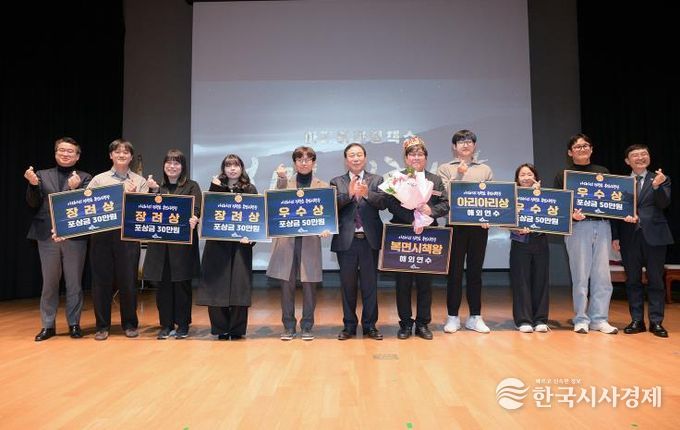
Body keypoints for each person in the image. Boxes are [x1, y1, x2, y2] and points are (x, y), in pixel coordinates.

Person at [25, 137, 92, 341]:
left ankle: (74, 324)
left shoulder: (85, 178)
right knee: (49, 283)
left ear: (77, 156)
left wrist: (75, 189)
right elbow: (32, 203)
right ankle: (48, 325)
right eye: (61, 150)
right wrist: (33, 185)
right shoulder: (41, 175)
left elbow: (87, 207)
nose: (65, 154)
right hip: (47, 236)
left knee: (74, 283)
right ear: (55, 153)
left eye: (70, 151)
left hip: (74, 237)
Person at [553, 133, 617, 334]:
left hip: (603, 226)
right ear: (570, 152)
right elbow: (558, 205)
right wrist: (571, 216)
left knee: (603, 276)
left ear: (591, 149)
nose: (582, 149)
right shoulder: (563, 175)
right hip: (578, 228)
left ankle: (599, 319)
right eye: (578, 147)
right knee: (580, 276)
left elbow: (612, 201)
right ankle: (581, 318)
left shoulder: (603, 172)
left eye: (586, 146)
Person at [386, 136, 449, 340]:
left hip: (428, 236)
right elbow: (390, 203)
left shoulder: (435, 179)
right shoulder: (397, 178)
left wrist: (430, 211)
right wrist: (413, 219)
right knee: (402, 283)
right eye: (412, 154)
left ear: (426, 157)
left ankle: (423, 323)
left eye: (420, 154)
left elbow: (445, 204)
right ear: (406, 158)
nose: (416, 157)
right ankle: (405, 323)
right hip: (403, 233)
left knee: (425, 283)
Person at [266, 146, 331, 341]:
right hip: (287, 241)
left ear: (313, 162)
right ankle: (288, 326)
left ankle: (307, 326)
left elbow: (327, 214)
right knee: (286, 285)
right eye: (300, 160)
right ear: (294, 163)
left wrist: (326, 227)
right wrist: (281, 179)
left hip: (310, 240)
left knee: (310, 285)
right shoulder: (285, 182)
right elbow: (274, 204)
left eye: (308, 159)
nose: (304, 163)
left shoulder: (323, 186)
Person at [87, 139, 149, 340]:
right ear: (110, 155)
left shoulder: (140, 181)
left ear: (131, 157)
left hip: (128, 237)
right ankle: (102, 326)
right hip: (101, 236)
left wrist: (133, 197)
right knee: (101, 281)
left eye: (126, 152)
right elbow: (89, 207)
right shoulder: (99, 180)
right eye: (117, 152)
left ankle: (130, 324)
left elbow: (143, 213)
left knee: (128, 281)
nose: (121, 155)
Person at [611, 145, 672, 338]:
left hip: (655, 236)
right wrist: (615, 236)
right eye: (635, 155)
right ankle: (637, 320)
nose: (640, 157)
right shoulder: (620, 183)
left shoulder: (660, 178)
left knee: (656, 281)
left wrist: (657, 187)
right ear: (627, 161)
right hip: (629, 237)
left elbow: (664, 204)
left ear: (649, 157)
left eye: (644, 154)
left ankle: (656, 322)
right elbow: (614, 211)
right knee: (633, 281)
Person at [437, 129, 493, 334]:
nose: (465, 144)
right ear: (454, 147)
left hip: (478, 227)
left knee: (475, 272)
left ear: (474, 146)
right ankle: (453, 316)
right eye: (461, 142)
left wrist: (488, 216)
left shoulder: (485, 169)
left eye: (469, 141)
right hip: (455, 226)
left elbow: (492, 198)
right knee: (454, 273)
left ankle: (475, 316)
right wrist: (459, 175)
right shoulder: (445, 168)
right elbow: (444, 196)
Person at [195, 154, 257, 340]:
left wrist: (251, 238)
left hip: (240, 246)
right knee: (216, 287)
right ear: (223, 169)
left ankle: (236, 329)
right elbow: (207, 213)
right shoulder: (215, 187)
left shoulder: (249, 188)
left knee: (239, 288)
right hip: (217, 246)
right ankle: (220, 328)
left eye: (236, 165)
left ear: (242, 168)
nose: (232, 169)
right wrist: (215, 188)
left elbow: (256, 217)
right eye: (228, 165)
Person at [330, 143, 386, 341]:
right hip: (347, 241)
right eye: (352, 155)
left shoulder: (377, 179)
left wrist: (367, 194)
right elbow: (331, 206)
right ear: (346, 160)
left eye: (359, 155)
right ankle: (349, 326)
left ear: (365, 158)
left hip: (369, 240)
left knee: (370, 285)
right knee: (348, 286)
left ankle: (370, 326)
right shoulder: (337, 181)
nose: (355, 158)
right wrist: (349, 194)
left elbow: (383, 203)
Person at [143, 149, 201, 340]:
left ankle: (183, 324)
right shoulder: (157, 187)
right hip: (160, 246)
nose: (172, 166)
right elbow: (145, 210)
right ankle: (166, 324)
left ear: (182, 167)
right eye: (169, 163)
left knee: (182, 285)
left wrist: (195, 218)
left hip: (182, 246)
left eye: (176, 163)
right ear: (164, 166)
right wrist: (152, 191)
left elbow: (196, 209)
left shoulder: (192, 186)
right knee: (163, 287)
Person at [509, 164, 550, 333]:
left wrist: (538, 195)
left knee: (541, 280)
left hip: (540, 241)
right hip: (520, 242)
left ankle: (540, 319)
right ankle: (523, 320)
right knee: (521, 281)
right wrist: (515, 228)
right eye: (522, 175)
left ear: (536, 177)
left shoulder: (546, 196)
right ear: (517, 179)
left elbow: (554, 216)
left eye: (529, 174)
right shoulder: (511, 196)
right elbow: (505, 217)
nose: (526, 178)